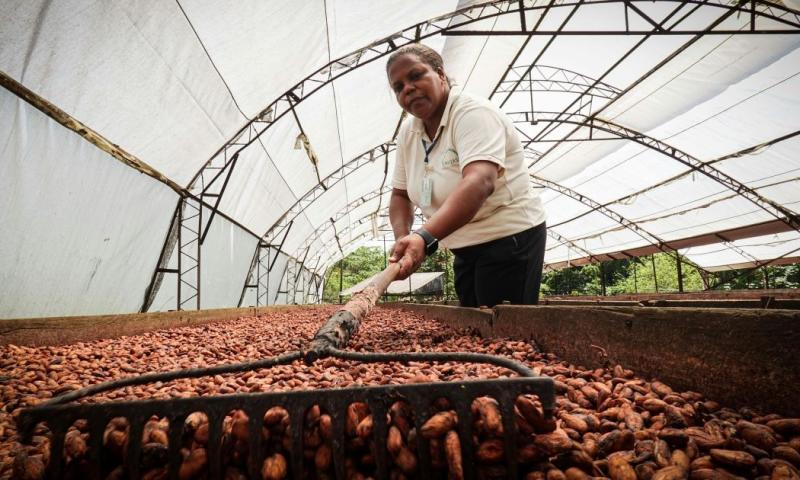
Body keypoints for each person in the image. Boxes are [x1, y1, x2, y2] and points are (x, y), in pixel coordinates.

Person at [386, 43, 547, 308]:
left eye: (416, 76)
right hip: (462, 244)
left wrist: (424, 238)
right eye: (398, 86)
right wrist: (403, 238)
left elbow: (479, 182)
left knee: (502, 329)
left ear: (440, 74)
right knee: (473, 323)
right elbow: (400, 194)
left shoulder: (472, 113)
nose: (408, 88)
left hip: (508, 239)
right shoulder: (409, 132)